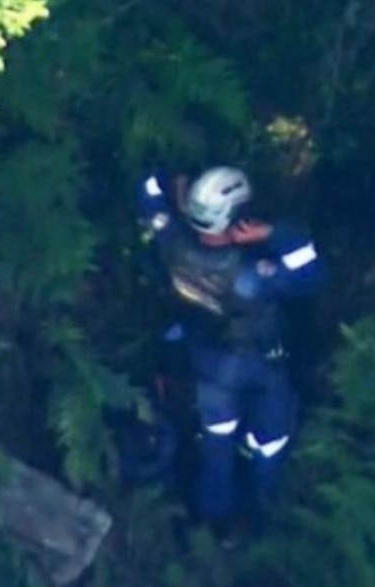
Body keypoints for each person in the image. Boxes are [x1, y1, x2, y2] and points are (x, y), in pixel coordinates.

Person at [137, 166, 322, 535]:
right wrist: (274, 233)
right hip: (259, 372)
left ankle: (212, 522)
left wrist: (174, 185)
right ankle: (261, 515)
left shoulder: (171, 241)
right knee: (268, 443)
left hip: (207, 366)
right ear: (237, 218)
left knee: (216, 444)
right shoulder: (251, 274)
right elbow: (311, 275)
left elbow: (148, 190)